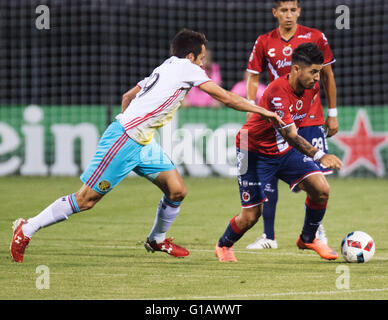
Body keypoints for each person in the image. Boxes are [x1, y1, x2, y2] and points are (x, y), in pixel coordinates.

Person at [10, 28, 285, 263]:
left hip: (141, 141)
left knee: (177, 190)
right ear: (191, 56)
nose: (203, 65)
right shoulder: (186, 68)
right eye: (202, 59)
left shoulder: (166, 66)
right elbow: (224, 97)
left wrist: (135, 122)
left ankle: (156, 240)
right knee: (85, 200)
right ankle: (27, 228)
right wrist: (262, 111)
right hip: (125, 139)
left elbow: (128, 95)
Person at [214, 43, 342, 262]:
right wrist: (319, 155)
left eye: (319, 72)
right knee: (251, 216)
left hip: (283, 151)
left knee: (321, 189)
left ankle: (308, 238)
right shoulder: (276, 91)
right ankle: (224, 245)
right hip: (252, 150)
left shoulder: (312, 88)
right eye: (313, 72)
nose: (317, 78)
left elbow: (294, 130)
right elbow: (291, 135)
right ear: (295, 69)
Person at [245, 0, 339, 249]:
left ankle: (315, 231)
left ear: (299, 11)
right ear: (275, 12)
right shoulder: (264, 41)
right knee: (271, 172)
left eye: (293, 10)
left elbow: (328, 75)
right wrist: (250, 105)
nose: (289, 15)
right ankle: (268, 236)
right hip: (280, 117)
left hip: (311, 116)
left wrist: (333, 112)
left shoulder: (315, 36)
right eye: (283, 10)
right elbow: (253, 76)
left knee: (317, 178)